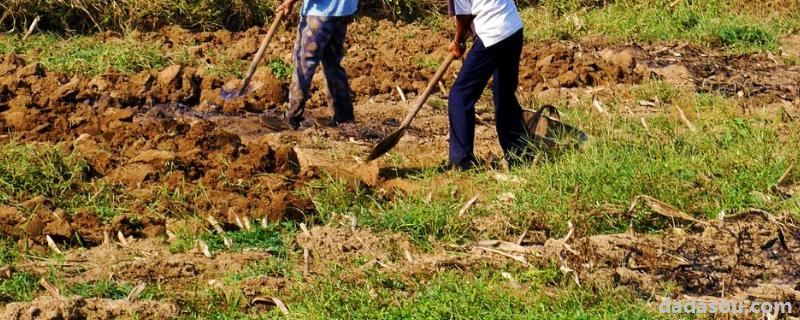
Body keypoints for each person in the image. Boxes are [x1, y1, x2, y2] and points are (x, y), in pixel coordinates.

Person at [447, 0, 527, 170]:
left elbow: (463, 16)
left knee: (460, 95)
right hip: (513, 28)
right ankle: (518, 153)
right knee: (504, 94)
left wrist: (459, 41)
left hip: (491, 35)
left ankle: (462, 160)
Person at [274, 0, 358, 129]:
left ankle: (291, 118)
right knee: (332, 62)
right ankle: (344, 117)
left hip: (320, 12)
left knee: (304, 62)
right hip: (344, 9)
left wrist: (290, 2)